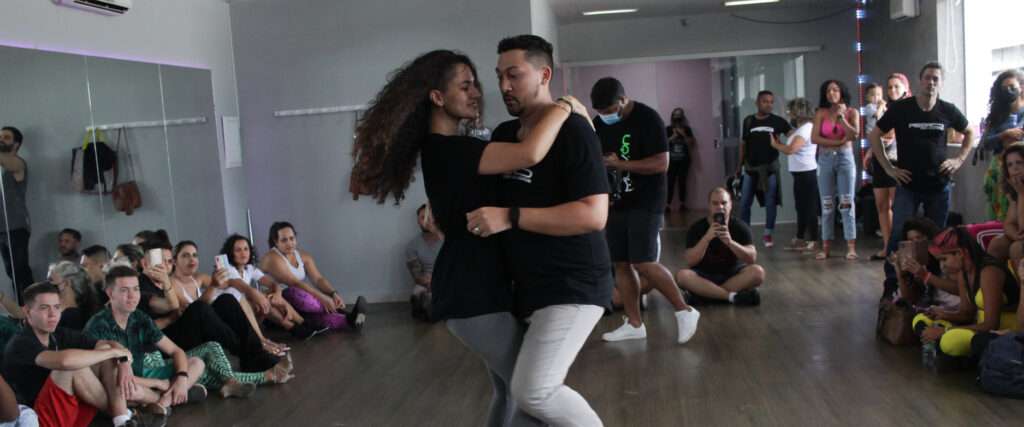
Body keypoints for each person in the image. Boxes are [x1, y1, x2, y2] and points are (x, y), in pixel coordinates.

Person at [351, 46, 587, 426]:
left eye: (476, 84)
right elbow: (529, 153)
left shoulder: (447, 149)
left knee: (509, 392)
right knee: (531, 397)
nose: (477, 92)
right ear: (438, 98)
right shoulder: (450, 150)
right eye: (466, 86)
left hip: (475, 288)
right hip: (472, 292)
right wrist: (565, 107)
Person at [470, 34, 618, 426]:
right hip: (525, 288)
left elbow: (593, 215)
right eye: (499, 76)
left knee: (534, 390)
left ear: (544, 74)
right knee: (511, 392)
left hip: (574, 283)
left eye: (514, 75)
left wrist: (512, 216)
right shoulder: (504, 135)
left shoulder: (574, 131)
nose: (503, 86)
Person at [590, 78, 698, 343]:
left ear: (623, 100)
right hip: (615, 201)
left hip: (647, 201)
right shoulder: (599, 123)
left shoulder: (648, 118)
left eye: (609, 111)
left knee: (644, 262)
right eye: (600, 113)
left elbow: (662, 163)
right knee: (621, 263)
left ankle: (684, 311)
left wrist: (622, 165)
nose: (605, 117)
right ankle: (634, 324)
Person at [870, 62, 976, 282]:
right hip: (908, 186)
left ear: (941, 83)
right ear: (920, 81)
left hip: (939, 186)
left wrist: (958, 160)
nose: (931, 82)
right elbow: (874, 136)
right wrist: (890, 168)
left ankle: (933, 282)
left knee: (937, 238)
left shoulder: (948, 110)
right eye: (927, 77)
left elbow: (969, 132)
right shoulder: (901, 108)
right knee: (899, 234)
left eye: (936, 78)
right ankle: (892, 284)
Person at [135, 239, 281, 373]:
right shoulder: (143, 286)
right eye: (161, 261)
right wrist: (172, 317)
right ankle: (250, 352)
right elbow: (171, 307)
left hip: (181, 330)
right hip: (164, 345)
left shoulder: (166, 282)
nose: (166, 266)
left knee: (227, 300)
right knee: (199, 308)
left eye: (168, 261)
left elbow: (226, 285)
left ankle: (254, 352)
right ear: (145, 264)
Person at [2, 282, 137, 426]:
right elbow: (64, 362)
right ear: (27, 312)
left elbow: (107, 344)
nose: (53, 314)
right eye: (44, 308)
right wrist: (115, 352)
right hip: (35, 420)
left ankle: (122, 419)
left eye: (56, 307)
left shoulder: (58, 333)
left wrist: (123, 361)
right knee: (72, 369)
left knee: (105, 356)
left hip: (68, 411)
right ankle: (126, 414)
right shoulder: (21, 342)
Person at [84, 266, 207, 417]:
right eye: (124, 290)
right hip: (118, 387)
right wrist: (158, 383)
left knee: (196, 362)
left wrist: (181, 377)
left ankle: (164, 402)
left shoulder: (140, 317)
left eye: (136, 289)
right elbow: (110, 377)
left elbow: (175, 351)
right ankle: (174, 396)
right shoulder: (97, 325)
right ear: (110, 293)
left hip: (142, 378)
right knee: (129, 390)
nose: (132, 296)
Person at [912, 227, 1019, 358]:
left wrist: (945, 330)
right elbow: (966, 314)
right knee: (921, 319)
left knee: (950, 341)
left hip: (1003, 330)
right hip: (979, 326)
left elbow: (992, 324)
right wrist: (942, 314)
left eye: (944, 259)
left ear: (960, 253)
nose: (942, 266)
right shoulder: (964, 273)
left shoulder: (990, 271)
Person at [260, 222, 368, 334]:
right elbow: (294, 283)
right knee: (298, 294)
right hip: (278, 304)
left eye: (292, 238)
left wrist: (333, 294)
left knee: (317, 318)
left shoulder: (303, 256)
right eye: (284, 240)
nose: (289, 243)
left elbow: (318, 279)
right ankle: (345, 313)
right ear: (275, 241)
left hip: (299, 305)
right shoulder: (271, 258)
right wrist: (323, 298)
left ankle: (349, 321)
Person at [676, 188, 763, 305]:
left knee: (758, 272)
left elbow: (751, 258)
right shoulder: (696, 228)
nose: (720, 207)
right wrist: (706, 238)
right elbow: (690, 261)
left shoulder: (740, 227)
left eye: (724, 203)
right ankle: (731, 297)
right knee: (682, 276)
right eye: (715, 203)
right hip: (704, 275)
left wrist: (730, 242)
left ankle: (705, 295)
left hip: (733, 275)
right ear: (709, 206)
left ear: (731, 205)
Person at [864, 74, 912, 260]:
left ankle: (902, 248)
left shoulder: (908, 107)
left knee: (899, 206)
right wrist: (871, 151)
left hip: (899, 161)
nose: (892, 90)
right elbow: (876, 133)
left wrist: (877, 140)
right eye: (890, 87)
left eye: (896, 87)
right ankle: (888, 246)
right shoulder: (883, 107)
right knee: (882, 205)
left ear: (904, 89)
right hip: (881, 161)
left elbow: (889, 133)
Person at [811, 79, 860, 261]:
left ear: (842, 92)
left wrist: (842, 118)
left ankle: (851, 246)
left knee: (847, 203)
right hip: (825, 159)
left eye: (835, 90)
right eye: (828, 90)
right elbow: (814, 138)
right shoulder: (821, 113)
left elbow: (854, 134)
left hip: (845, 159)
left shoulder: (851, 112)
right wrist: (837, 142)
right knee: (827, 204)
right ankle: (825, 247)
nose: (832, 93)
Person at [737, 91, 792, 248]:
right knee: (745, 203)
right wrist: (738, 166)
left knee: (770, 203)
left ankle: (768, 234)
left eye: (771, 102)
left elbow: (794, 136)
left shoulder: (778, 121)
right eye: (765, 101)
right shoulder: (748, 121)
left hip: (770, 169)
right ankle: (745, 235)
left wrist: (784, 145)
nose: (768, 104)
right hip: (750, 168)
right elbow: (743, 145)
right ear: (757, 103)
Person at [771, 97, 818, 252]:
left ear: (798, 112)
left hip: (807, 173)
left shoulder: (807, 128)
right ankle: (800, 238)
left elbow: (791, 149)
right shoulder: (801, 128)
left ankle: (813, 239)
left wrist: (775, 145)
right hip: (799, 173)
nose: (788, 113)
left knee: (808, 207)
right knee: (801, 207)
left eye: (790, 110)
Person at [887, 217, 958, 309]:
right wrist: (900, 274)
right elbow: (910, 299)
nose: (915, 244)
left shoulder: (945, 257)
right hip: (936, 310)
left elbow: (961, 289)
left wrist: (925, 275)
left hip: (956, 309)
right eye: (910, 240)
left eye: (919, 238)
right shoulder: (914, 262)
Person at [981, 70, 1024, 221]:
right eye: (1004, 88)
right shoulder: (997, 115)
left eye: (1012, 86)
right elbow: (985, 143)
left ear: (1022, 87)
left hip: (1021, 166)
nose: (1008, 91)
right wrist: (1004, 135)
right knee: (1001, 216)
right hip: (999, 170)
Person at [0, 126, 34, 303]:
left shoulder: (18, 163)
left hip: (16, 226)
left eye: (6, 137)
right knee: (11, 272)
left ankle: (31, 309)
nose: (1, 139)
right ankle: (23, 310)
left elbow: (7, 162)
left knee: (20, 271)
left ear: (16, 144)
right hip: (1, 229)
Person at [987, 144, 1024, 265]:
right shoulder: (1015, 190)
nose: (1015, 168)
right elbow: (1008, 224)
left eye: (1019, 162)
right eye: (1010, 165)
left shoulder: (1020, 191)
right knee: (997, 244)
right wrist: (1015, 235)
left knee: (1017, 249)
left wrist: (1022, 194)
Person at [406, 204, 442, 321]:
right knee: (418, 293)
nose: (426, 221)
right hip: (426, 282)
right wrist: (427, 283)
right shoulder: (412, 245)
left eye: (428, 217)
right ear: (418, 221)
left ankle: (434, 306)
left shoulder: (448, 239)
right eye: (422, 218)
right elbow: (417, 276)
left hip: (445, 281)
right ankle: (426, 306)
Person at [46, 261, 100, 331]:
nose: (47, 284)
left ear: (67, 283)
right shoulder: (71, 314)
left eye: (51, 280)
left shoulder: (71, 317)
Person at [666, 107, 695, 211]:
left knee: (682, 182)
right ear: (672, 116)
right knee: (670, 182)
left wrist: (683, 134)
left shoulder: (687, 129)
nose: (677, 117)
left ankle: (682, 204)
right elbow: (663, 145)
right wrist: (673, 137)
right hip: (671, 161)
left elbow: (692, 143)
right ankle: (667, 205)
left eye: (679, 115)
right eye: (675, 114)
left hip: (684, 161)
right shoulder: (668, 129)